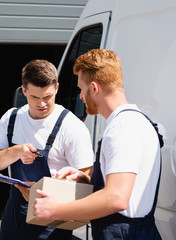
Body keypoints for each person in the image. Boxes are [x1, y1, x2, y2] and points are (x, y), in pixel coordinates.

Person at [32, 49, 163, 240]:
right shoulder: (139, 121)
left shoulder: (122, 128)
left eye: (81, 89)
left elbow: (116, 198)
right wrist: (85, 178)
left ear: (94, 88)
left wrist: (56, 210)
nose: (80, 97)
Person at [0, 59, 94, 240]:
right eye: (35, 97)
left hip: (53, 221)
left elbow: (86, 179)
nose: (42, 104)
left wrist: (44, 191)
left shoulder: (71, 126)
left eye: (47, 97)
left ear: (56, 88)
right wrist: (15, 151)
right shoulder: (11, 118)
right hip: (15, 216)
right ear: (24, 91)